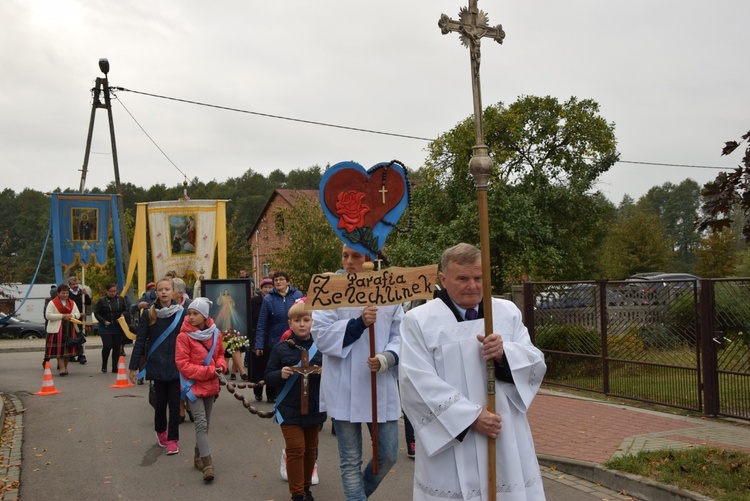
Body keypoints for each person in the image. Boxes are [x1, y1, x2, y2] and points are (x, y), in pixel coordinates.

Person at [399, 243, 547, 501]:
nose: (473, 286)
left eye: (479, 278)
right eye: (463, 278)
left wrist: (505, 354)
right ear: (443, 280)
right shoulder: (419, 321)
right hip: (453, 439)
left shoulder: (505, 312)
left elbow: (535, 362)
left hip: (503, 433)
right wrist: (470, 418)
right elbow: (415, 381)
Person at [311, 245, 403, 501]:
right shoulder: (331, 288)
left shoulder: (390, 289)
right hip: (344, 386)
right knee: (350, 460)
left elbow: (401, 333)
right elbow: (321, 334)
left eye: (356, 256)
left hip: (379, 383)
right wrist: (359, 323)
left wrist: (388, 357)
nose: (349, 261)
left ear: (370, 260)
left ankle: (359, 494)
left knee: (388, 455)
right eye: (344, 255)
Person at [265, 298, 324, 501]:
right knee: (296, 449)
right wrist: (279, 373)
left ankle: (306, 488)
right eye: (297, 320)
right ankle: (297, 493)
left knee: (310, 451)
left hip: (314, 407)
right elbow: (268, 376)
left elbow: (335, 375)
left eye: (306, 319)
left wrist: (327, 373)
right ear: (289, 324)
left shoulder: (322, 347)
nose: (302, 324)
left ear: (312, 322)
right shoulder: (281, 348)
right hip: (288, 409)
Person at [128, 277, 186, 455]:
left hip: (176, 365)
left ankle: (173, 440)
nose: (164, 292)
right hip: (157, 365)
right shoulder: (150, 314)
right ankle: (161, 431)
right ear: (156, 293)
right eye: (160, 289)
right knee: (160, 403)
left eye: (167, 289)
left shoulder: (181, 313)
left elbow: (189, 337)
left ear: (173, 291)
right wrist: (133, 367)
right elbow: (140, 341)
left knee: (175, 404)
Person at [175, 297, 226, 482]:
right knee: (201, 423)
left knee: (207, 422)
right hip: (192, 387)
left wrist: (221, 366)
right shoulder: (183, 336)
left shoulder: (215, 333)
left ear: (205, 316)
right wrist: (210, 371)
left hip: (211, 384)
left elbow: (220, 354)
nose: (190, 317)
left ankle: (197, 455)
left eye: (195, 314)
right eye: (189, 313)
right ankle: (208, 463)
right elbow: (183, 364)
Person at [254, 271, 303, 403]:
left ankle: (297, 395)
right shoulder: (268, 299)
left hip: (296, 339)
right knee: (276, 369)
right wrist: (259, 344)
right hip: (275, 341)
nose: (278, 282)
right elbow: (262, 323)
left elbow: (306, 316)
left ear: (288, 282)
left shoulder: (298, 296)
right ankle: (274, 396)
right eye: (276, 280)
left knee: (296, 368)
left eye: (281, 279)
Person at [44, 283, 81, 375]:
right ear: (58, 293)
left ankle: (65, 366)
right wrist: (62, 316)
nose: (65, 295)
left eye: (67, 293)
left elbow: (78, 314)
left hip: (70, 327)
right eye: (63, 293)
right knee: (60, 349)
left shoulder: (72, 303)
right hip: (58, 328)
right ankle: (62, 368)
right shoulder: (52, 303)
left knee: (68, 348)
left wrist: (71, 315)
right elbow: (48, 315)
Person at [94, 282, 130, 373]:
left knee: (117, 347)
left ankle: (115, 366)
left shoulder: (121, 299)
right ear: (107, 291)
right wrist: (103, 321)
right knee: (107, 345)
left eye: (114, 291)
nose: (113, 293)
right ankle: (104, 363)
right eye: (111, 291)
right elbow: (97, 313)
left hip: (118, 326)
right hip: (106, 326)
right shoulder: (102, 300)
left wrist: (122, 315)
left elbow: (126, 309)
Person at [250, 277, 273, 400]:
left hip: (271, 338)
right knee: (258, 366)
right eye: (265, 287)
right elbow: (251, 319)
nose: (267, 290)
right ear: (261, 288)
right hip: (257, 337)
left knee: (272, 366)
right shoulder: (254, 301)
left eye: (270, 287)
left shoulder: (275, 300)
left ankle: (271, 394)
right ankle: (258, 392)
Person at [67, 276, 91, 364]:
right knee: (72, 336)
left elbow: (88, 303)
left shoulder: (81, 293)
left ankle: (81, 355)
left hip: (80, 318)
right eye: (73, 284)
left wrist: (86, 295)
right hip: (71, 318)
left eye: (76, 283)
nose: (75, 285)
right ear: (70, 285)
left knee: (79, 336)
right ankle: (72, 354)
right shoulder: (68, 293)